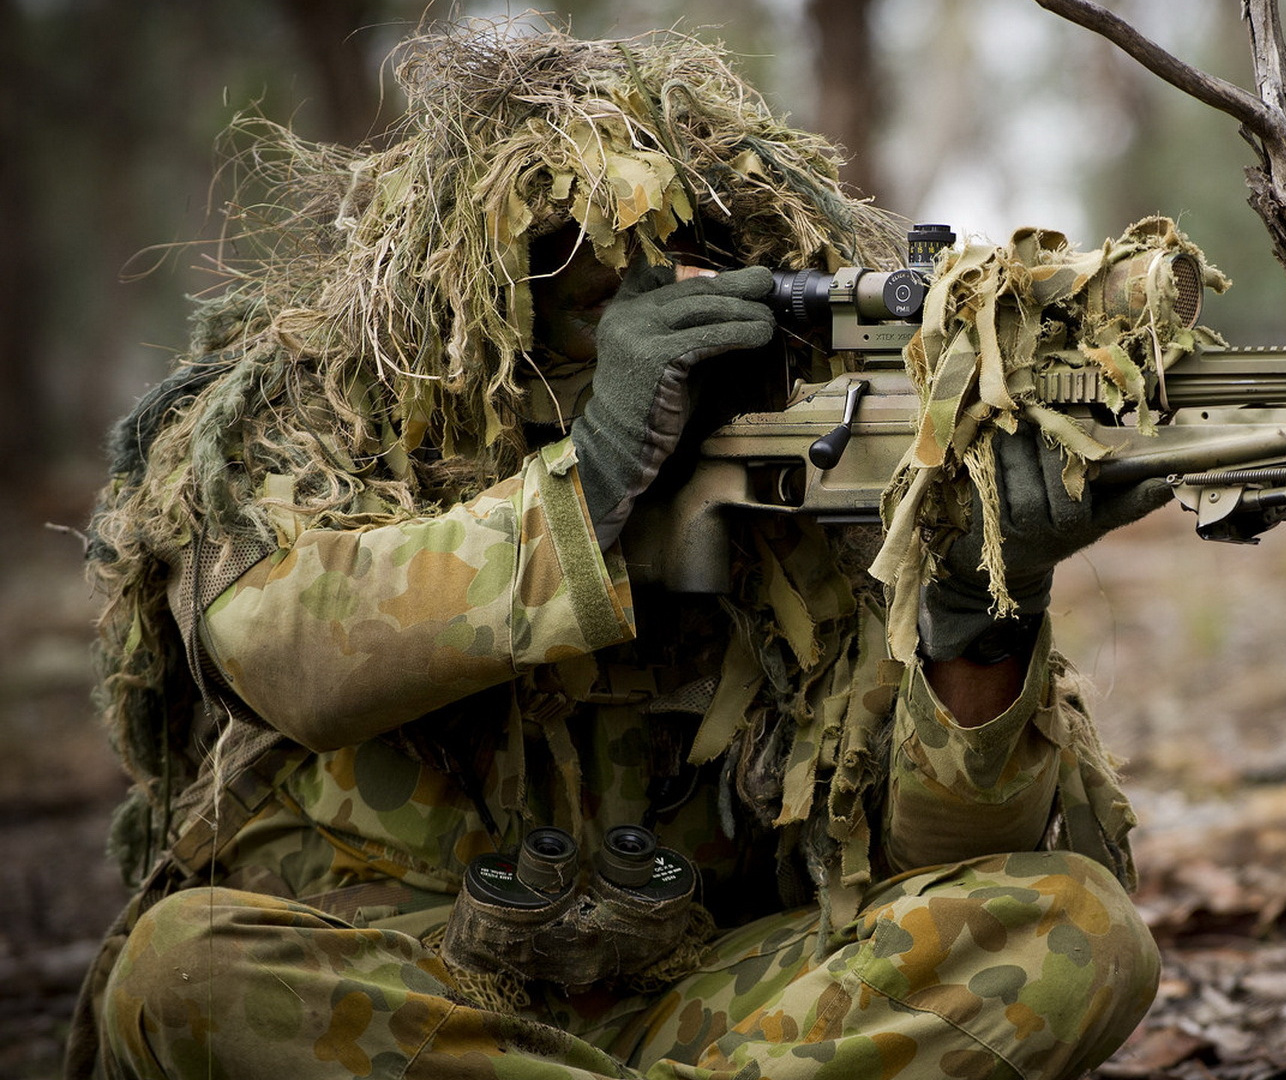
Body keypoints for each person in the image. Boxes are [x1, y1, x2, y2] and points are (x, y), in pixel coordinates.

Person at [70, 24, 1169, 1080]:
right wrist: (592, 477)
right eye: (566, 268)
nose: (641, 303)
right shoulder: (315, 416)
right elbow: (283, 653)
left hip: (704, 996)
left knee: (1076, 930)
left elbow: (931, 867)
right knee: (182, 973)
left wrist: (982, 608)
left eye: (696, 261)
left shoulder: (800, 457)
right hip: (403, 990)